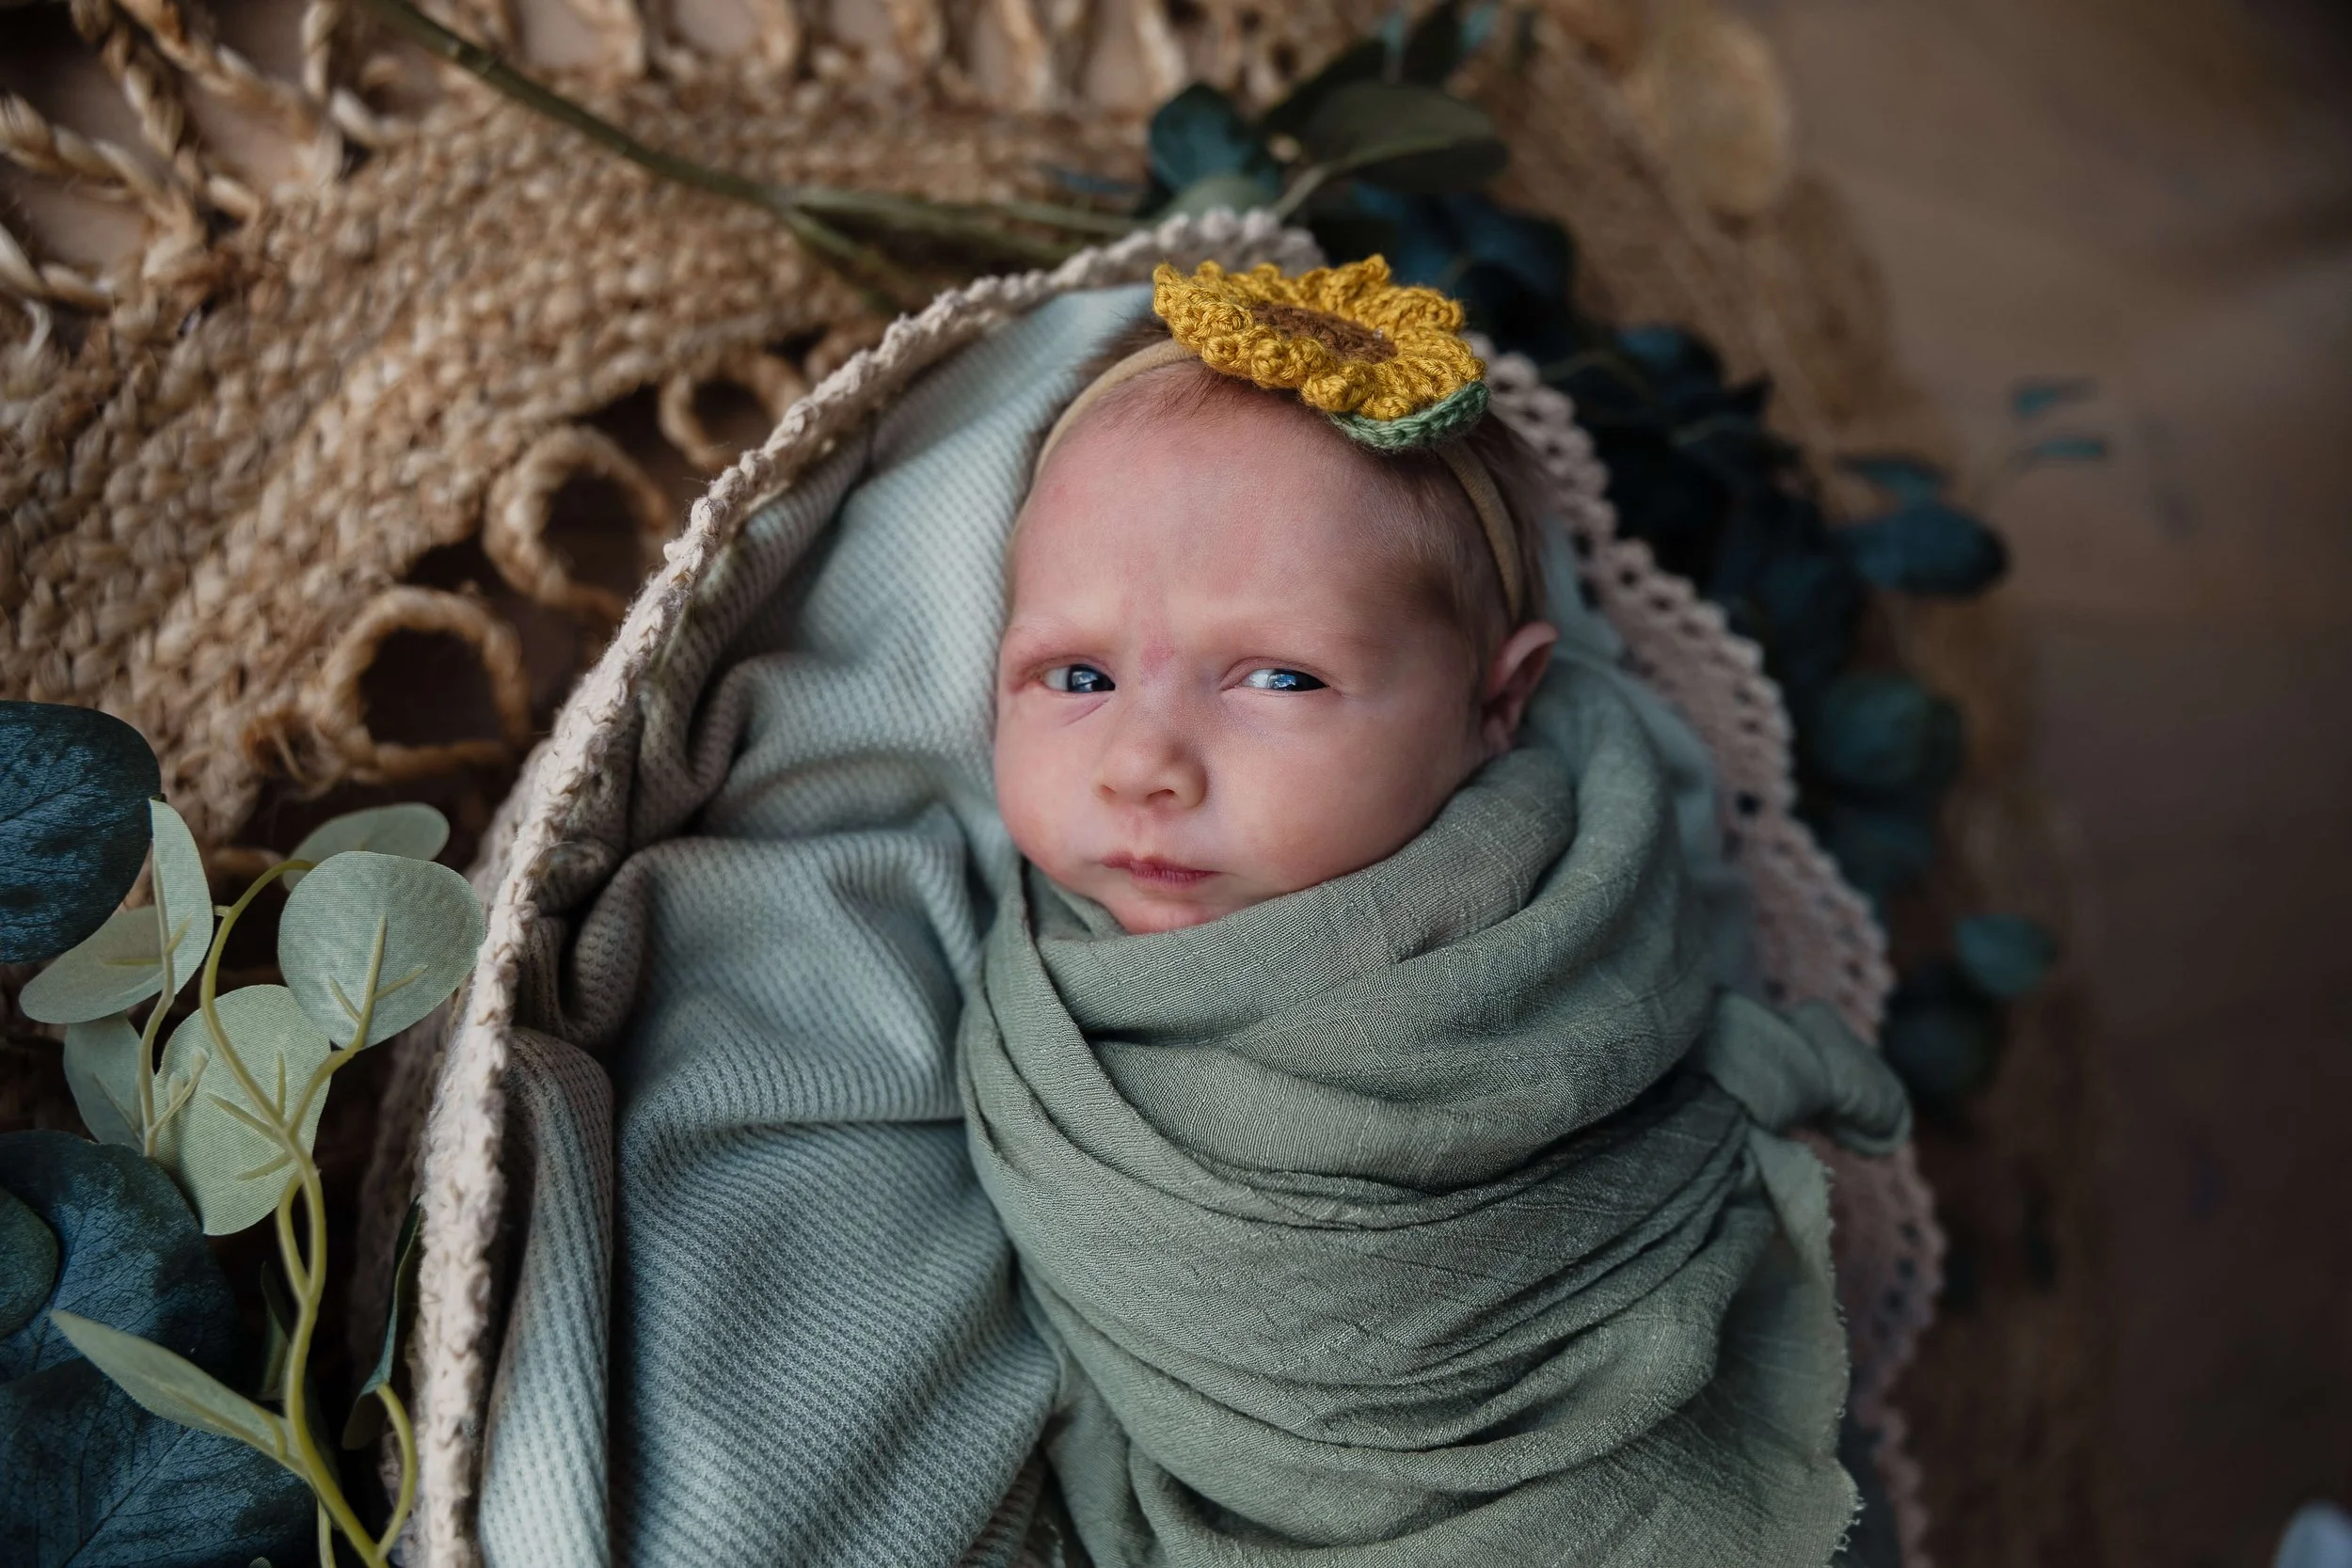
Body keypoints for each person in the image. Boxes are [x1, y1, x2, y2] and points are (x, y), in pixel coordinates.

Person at [958, 257, 1914, 1566]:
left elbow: (1654, 1063)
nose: (1142, 764)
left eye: (1280, 677)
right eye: (1076, 673)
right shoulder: (1019, 966)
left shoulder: (1557, 897)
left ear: (1498, 704)